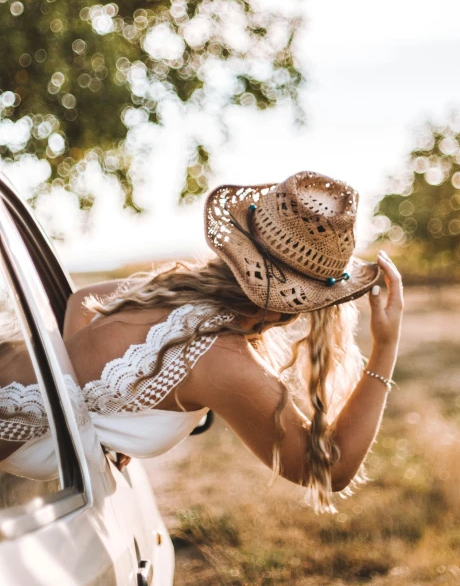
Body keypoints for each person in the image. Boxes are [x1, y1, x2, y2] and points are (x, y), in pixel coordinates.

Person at [1, 171, 403, 512]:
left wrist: (87, 408)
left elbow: (81, 302)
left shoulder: (173, 287)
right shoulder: (220, 354)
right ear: (300, 303)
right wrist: (385, 349)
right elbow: (328, 470)